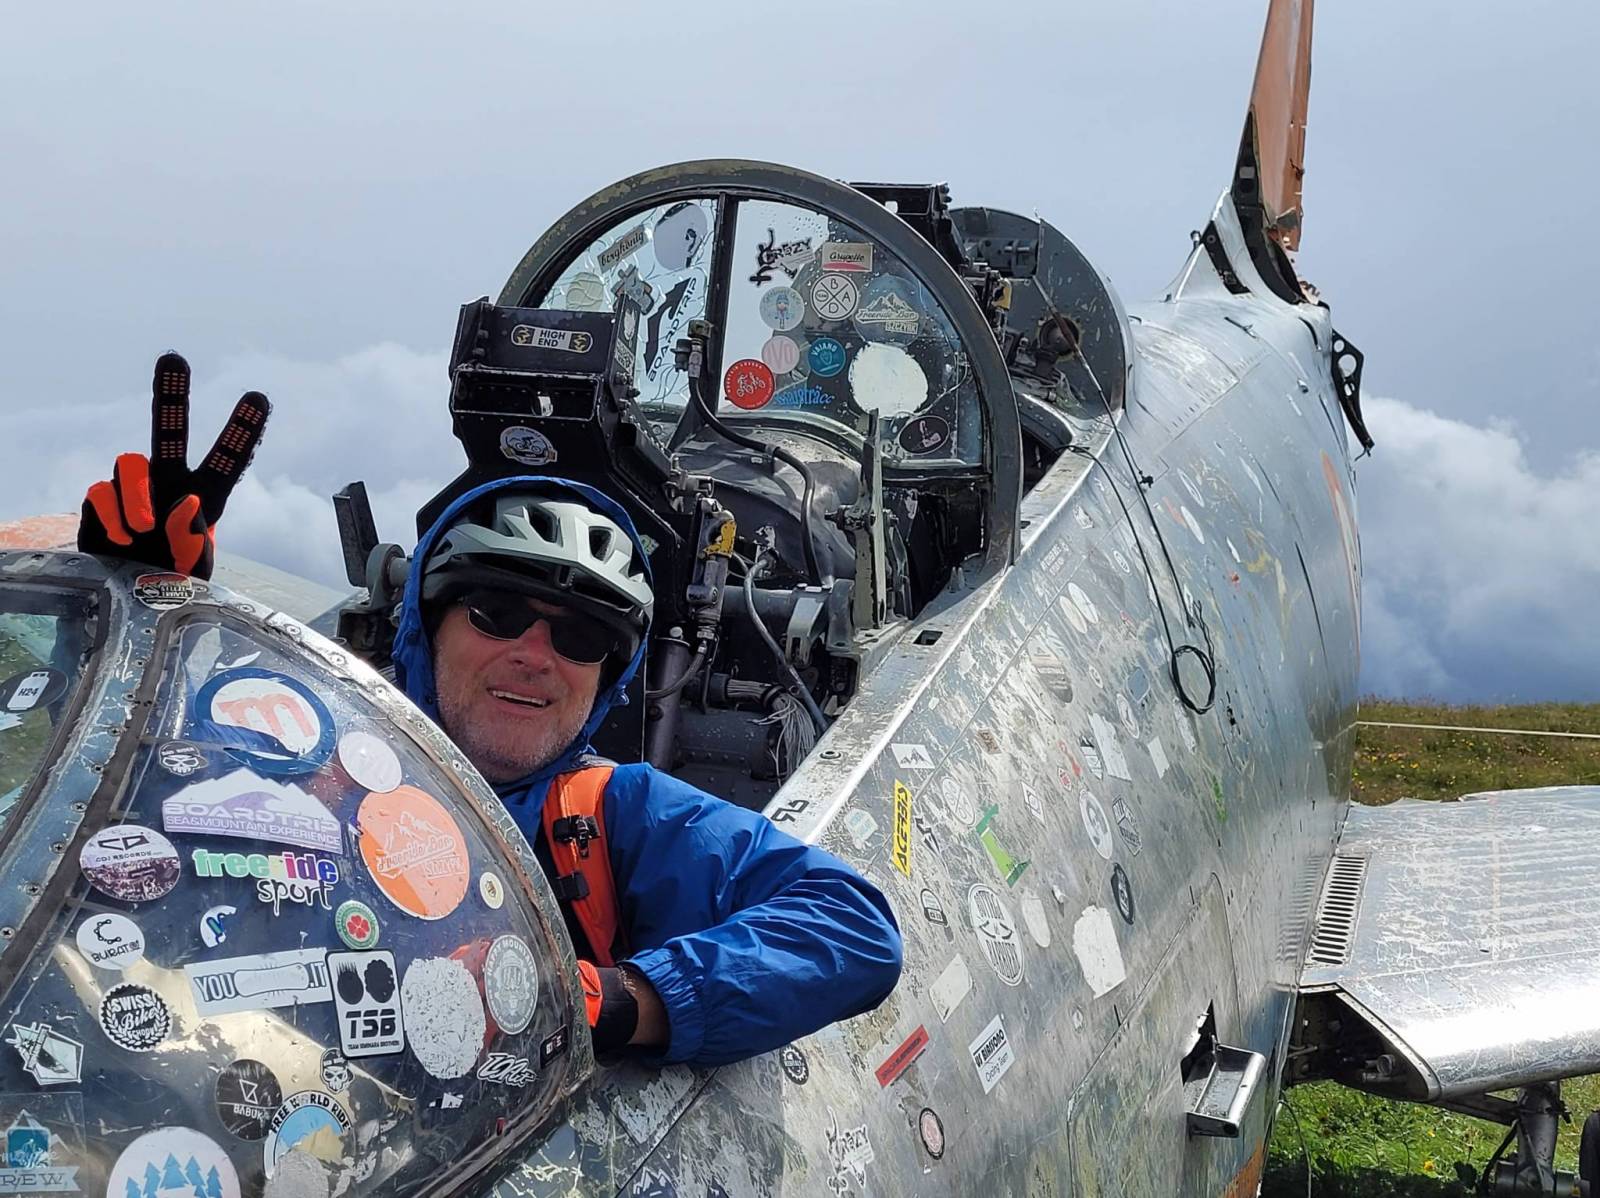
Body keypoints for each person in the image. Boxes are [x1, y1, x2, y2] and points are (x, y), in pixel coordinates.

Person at [77, 352, 903, 1067]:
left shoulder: (612, 814)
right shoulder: (307, 764)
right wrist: (142, 612)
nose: (535, 655)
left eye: (580, 636)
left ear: (608, 677)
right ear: (425, 628)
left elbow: (851, 927)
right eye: (497, 614)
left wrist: (615, 999)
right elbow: (134, 805)